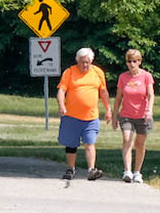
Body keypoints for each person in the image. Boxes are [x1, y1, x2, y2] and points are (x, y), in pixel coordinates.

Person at [57, 47, 111, 180]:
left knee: (90, 143)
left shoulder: (98, 72)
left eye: (87, 62)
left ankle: (91, 170)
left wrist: (108, 109)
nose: (85, 65)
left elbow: (103, 92)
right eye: (82, 62)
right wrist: (61, 105)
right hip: (71, 116)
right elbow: (61, 91)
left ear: (91, 61)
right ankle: (71, 168)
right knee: (71, 144)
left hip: (91, 117)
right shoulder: (69, 72)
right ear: (77, 61)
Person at [112, 48, 154, 183]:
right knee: (127, 139)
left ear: (140, 62)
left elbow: (150, 94)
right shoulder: (123, 77)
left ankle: (137, 172)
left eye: (134, 61)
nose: (131, 64)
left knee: (140, 144)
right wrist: (114, 115)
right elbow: (118, 98)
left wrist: (149, 110)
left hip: (142, 115)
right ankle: (127, 171)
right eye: (129, 61)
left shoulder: (146, 76)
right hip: (126, 115)